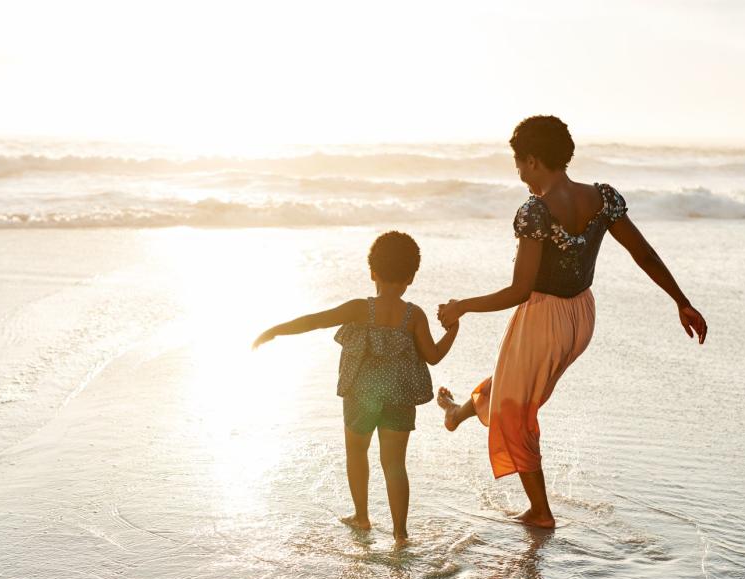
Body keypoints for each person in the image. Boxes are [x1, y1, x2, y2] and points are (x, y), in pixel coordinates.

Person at [436, 115, 708, 529]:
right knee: (512, 386)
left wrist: (462, 307)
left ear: (531, 161)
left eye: (519, 167)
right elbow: (644, 253)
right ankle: (457, 414)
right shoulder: (602, 197)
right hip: (581, 316)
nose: (521, 178)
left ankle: (540, 512)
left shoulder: (535, 212)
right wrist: (681, 301)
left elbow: (520, 290)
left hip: (544, 317)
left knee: (516, 411)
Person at [253, 231, 459, 546]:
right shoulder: (413, 315)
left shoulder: (359, 308)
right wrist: (453, 329)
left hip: (361, 395)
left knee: (356, 452)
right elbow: (433, 356)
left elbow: (314, 321)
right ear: (411, 277)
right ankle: (400, 534)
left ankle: (362, 517)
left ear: (372, 272)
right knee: (394, 464)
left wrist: (275, 330)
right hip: (400, 398)